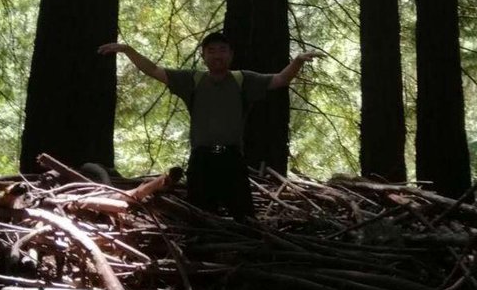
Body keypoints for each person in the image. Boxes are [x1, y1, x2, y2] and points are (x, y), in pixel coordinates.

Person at [98, 31, 317, 219]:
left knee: (245, 217)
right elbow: (154, 70)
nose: (217, 55)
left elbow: (280, 79)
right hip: (201, 160)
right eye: (211, 51)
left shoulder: (244, 80)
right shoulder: (193, 80)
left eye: (222, 50)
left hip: (232, 159)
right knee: (199, 217)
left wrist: (297, 61)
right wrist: (127, 50)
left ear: (231, 55)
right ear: (203, 56)